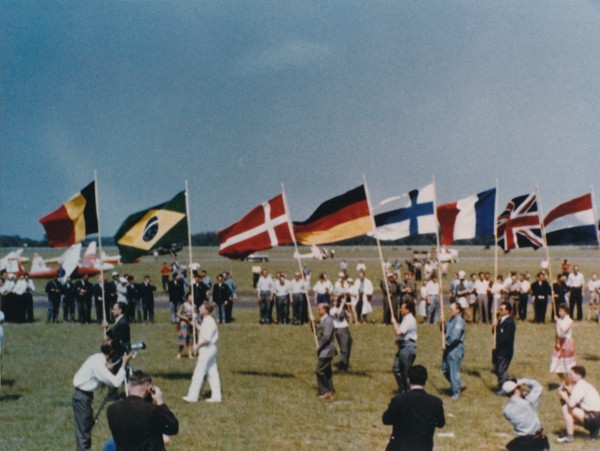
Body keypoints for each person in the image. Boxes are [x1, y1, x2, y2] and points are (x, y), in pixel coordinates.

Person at [72, 341, 132, 451]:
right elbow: (116, 382)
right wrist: (123, 364)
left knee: (84, 432)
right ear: (112, 351)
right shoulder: (99, 365)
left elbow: (97, 372)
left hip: (82, 396)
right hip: (83, 398)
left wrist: (106, 369)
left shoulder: (96, 358)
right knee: (84, 434)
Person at [107, 369, 179, 450]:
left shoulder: (112, 409)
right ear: (149, 389)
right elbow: (173, 427)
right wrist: (160, 401)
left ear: (128, 387)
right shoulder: (152, 411)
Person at [382, 365, 445, 451]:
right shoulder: (436, 402)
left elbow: (386, 420)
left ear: (408, 380)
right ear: (425, 381)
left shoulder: (398, 400)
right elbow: (441, 423)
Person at [182, 301, 222, 403]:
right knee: (212, 373)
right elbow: (203, 332)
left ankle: (193, 396)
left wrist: (197, 346)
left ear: (206, 310)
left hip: (207, 349)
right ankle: (216, 396)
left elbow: (207, 339)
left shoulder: (209, 322)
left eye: (201, 307)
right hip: (209, 349)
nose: (199, 308)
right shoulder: (206, 321)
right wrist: (195, 324)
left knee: (198, 372)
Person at [501, 377, 549, 451]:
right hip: (536, 440)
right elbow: (538, 387)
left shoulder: (506, 410)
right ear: (516, 390)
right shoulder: (528, 402)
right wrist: (523, 381)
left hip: (521, 441)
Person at [557, 365, 600, 443]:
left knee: (565, 407)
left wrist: (564, 396)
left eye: (571, 375)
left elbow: (571, 404)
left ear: (578, 375)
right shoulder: (584, 385)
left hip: (594, 417)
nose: (569, 377)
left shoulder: (580, 386)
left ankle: (569, 437)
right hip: (596, 416)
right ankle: (594, 430)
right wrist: (568, 391)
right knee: (571, 415)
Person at [391, 300, 417, 393]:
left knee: (406, 372)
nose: (400, 310)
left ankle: (409, 392)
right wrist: (399, 341)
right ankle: (403, 388)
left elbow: (399, 332)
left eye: (402, 308)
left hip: (408, 348)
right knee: (396, 368)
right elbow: (403, 334)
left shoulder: (409, 319)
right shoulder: (406, 319)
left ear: (407, 310)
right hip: (403, 346)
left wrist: (394, 322)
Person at [442, 302, 466, 399]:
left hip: (455, 348)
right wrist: (442, 324)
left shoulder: (459, 321)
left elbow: (455, 337)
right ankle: (459, 384)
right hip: (448, 348)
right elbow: (445, 331)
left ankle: (456, 392)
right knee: (444, 369)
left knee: (453, 371)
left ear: (458, 310)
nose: (449, 311)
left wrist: (446, 344)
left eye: (451, 310)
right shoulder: (451, 320)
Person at [494, 301, 516, 394]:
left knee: (501, 369)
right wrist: (494, 324)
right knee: (497, 369)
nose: (500, 311)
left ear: (507, 311)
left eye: (502, 309)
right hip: (498, 350)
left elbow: (506, 338)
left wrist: (497, 343)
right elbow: (494, 333)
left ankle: (502, 388)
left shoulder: (510, 322)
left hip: (505, 350)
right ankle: (512, 382)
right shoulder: (500, 321)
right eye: (499, 309)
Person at [315, 302, 336, 400]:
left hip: (327, 350)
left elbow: (327, 336)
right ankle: (330, 390)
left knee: (320, 370)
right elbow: (318, 332)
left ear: (324, 310)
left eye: (319, 309)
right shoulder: (322, 320)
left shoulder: (328, 320)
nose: (317, 310)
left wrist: (319, 346)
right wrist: (312, 324)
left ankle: (324, 391)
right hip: (324, 349)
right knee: (327, 371)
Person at [550, 303, 575, 384]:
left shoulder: (570, 321)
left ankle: (569, 383)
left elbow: (564, 330)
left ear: (566, 311)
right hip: (560, 343)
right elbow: (557, 333)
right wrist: (556, 342)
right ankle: (563, 381)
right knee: (555, 363)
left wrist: (558, 322)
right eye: (559, 310)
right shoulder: (559, 320)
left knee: (567, 365)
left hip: (567, 343)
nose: (559, 312)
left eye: (561, 311)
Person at [330, 294, 352, 372]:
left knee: (348, 346)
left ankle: (345, 364)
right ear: (332, 302)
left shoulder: (341, 308)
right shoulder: (332, 310)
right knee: (344, 349)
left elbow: (349, 315)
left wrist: (346, 307)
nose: (336, 302)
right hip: (339, 330)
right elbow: (337, 313)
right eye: (334, 301)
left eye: (337, 300)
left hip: (346, 328)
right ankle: (342, 367)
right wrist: (342, 304)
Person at [176, 294, 197, 359]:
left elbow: (196, 314)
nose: (192, 298)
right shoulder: (184, 305)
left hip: (191, 323)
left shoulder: (194, 306)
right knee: (183, 339)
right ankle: (179, 353)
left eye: (192, 297)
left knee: (190, 339)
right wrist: (184, 317)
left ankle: (190, 353)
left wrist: (195, 316)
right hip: (184, 323)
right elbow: (178, 314)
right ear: (188, 298)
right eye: (190, 297)